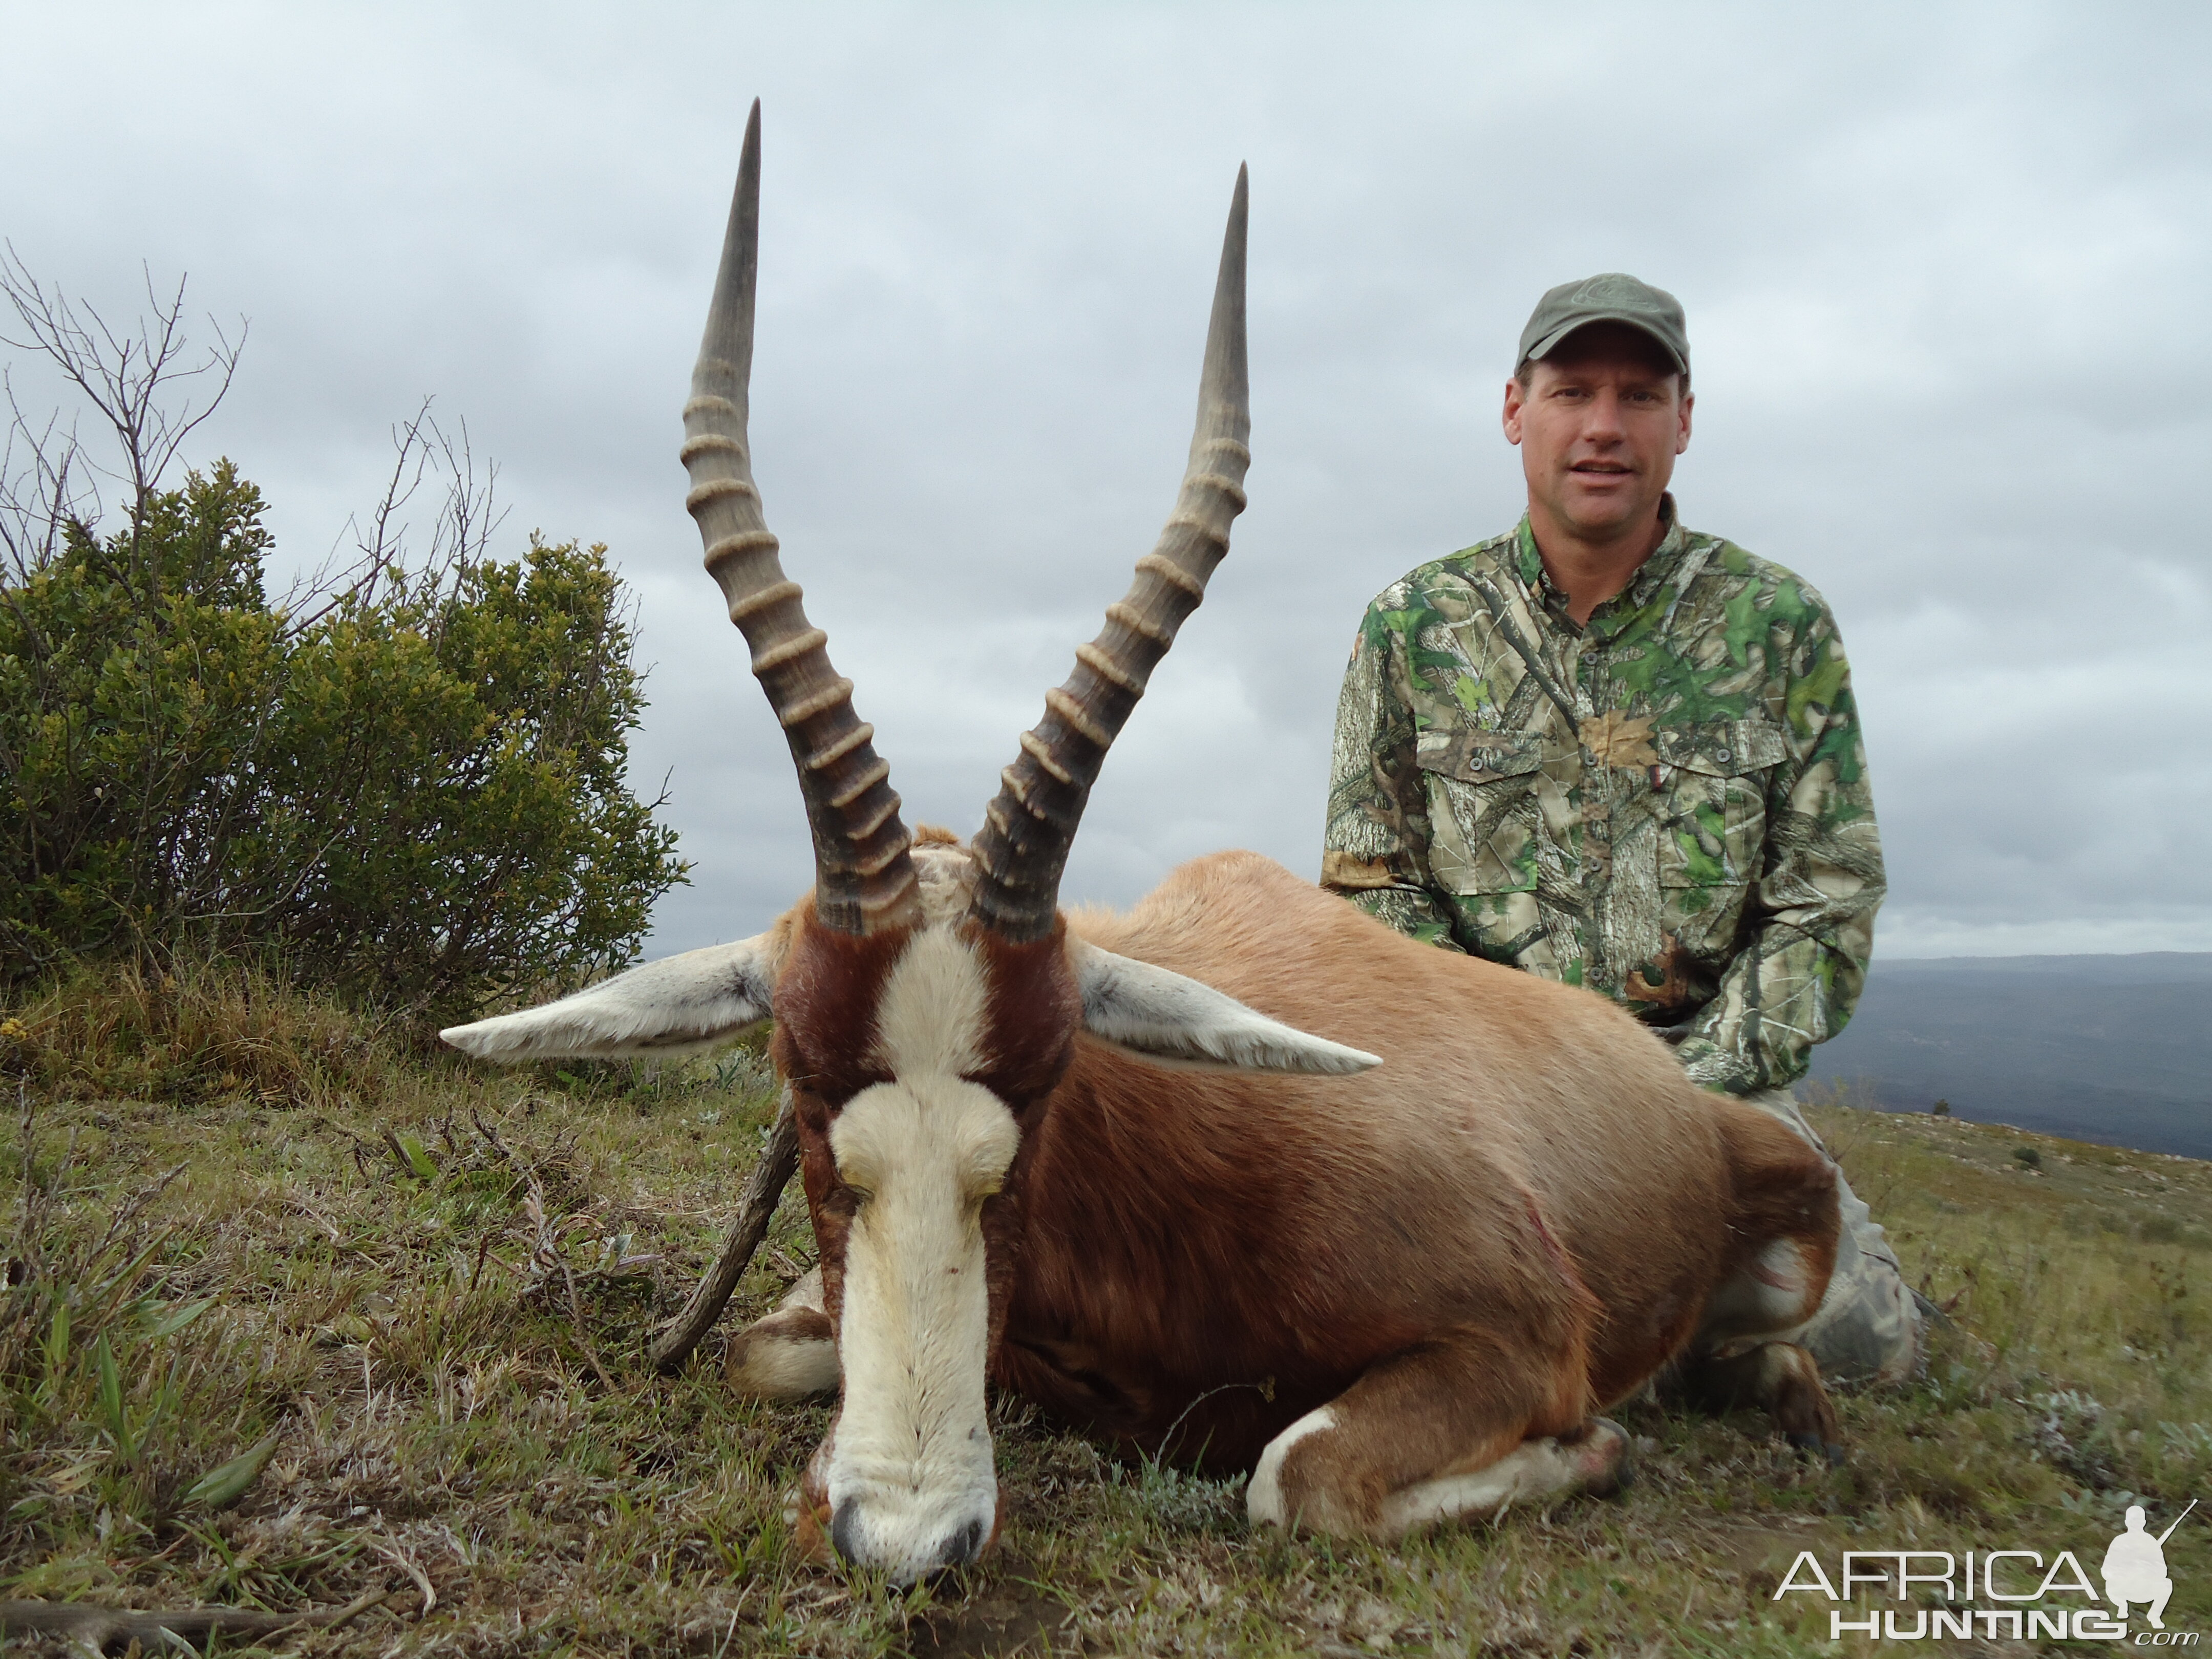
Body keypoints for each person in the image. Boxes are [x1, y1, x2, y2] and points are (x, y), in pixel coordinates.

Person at [1321, 272, 1917, 1385]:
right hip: (1476, 1098)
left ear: (1683, 420)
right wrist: (1511, 1076)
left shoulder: (1779, 626)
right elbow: (1370, 886)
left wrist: (1677, 1099)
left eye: (1640, 396)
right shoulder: (1411, 626)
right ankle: (1625, 1345)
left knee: (1864, 1340)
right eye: (1572, 391)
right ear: (1515, 409)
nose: (1604, 426)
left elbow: (1826, 901)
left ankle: (1606, 1339)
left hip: (1701, 1086)